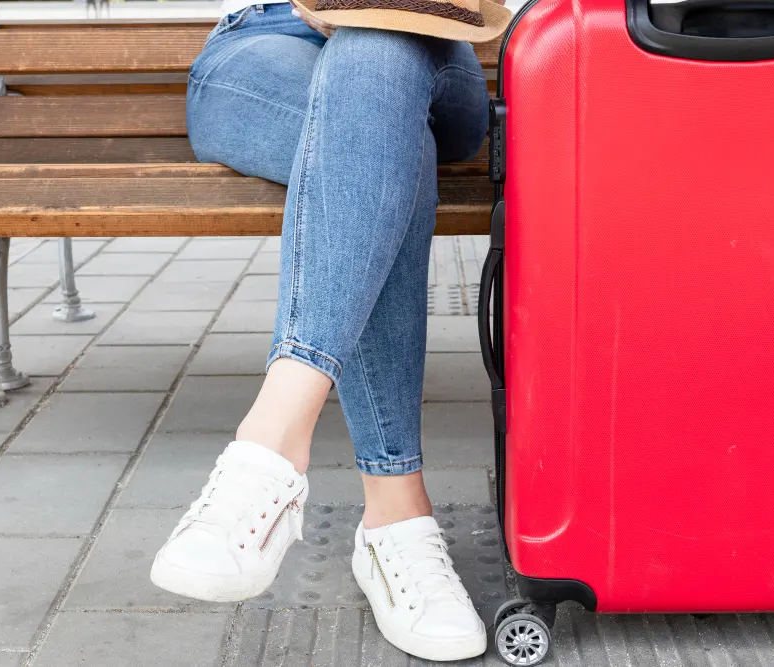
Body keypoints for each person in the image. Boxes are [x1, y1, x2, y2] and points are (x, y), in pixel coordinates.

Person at [150, 0, 509, 659]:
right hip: (263, 41)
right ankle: (394, 522)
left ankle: (270, 442)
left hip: (432, 41)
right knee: (392, 154)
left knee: (377, 44)